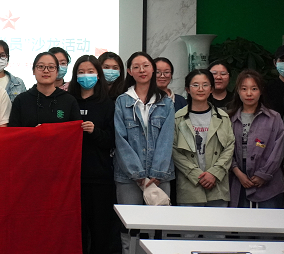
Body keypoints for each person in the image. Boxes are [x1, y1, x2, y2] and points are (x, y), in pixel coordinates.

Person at [113, 52, 174, 253]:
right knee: (130, 226)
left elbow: (167, 138)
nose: (142, 70)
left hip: (160, 176)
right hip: (128, 177)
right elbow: (120, 139)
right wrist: (138, 174)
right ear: (130, 71)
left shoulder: (166, 102)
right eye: (136, 66)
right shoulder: (122, 101)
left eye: (146, 66)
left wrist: (156, 172)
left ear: (153, 69)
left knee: (159, 225)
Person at [66, 55, 119, 254]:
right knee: (76, 229)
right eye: (81, 72)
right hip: (73, 177)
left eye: (90, 72)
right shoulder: (68, 102)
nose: (85, 76)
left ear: (98, 75)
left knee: (100, 230)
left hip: (100, 176)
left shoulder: (108, 104)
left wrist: (94, 131)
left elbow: (112, 140)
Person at [173, 69, 234, 207]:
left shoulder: (223, 117)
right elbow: (174, 150)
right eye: (195, 85)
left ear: (211, 89)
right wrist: (196, 174)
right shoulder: (178, 118)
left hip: (217, 186)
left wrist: (214, 173)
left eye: (205, 85)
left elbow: (229, 147)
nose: (200, 89)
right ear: (187, 89)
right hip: (190, 188)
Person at [228, 69, 284, 208]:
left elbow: (278, 150)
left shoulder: (274, 118)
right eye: (244, 89)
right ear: (238, 91)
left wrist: (263, 174)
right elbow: (225, 149)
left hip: (269, 184)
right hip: (239, 181)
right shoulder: (229, 118)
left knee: (268, 220)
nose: (249, 93)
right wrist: (237, 172)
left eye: (254, 89)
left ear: (261, 91)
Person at [9, 52, 80, 127]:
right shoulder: (21, 100)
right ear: (33, 71)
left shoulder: (69, 100)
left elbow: (75, 130)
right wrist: (34, 132)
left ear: (57, 72)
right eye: (41, 66)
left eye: (51, 67)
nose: (46, 71)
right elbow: (14, 131)